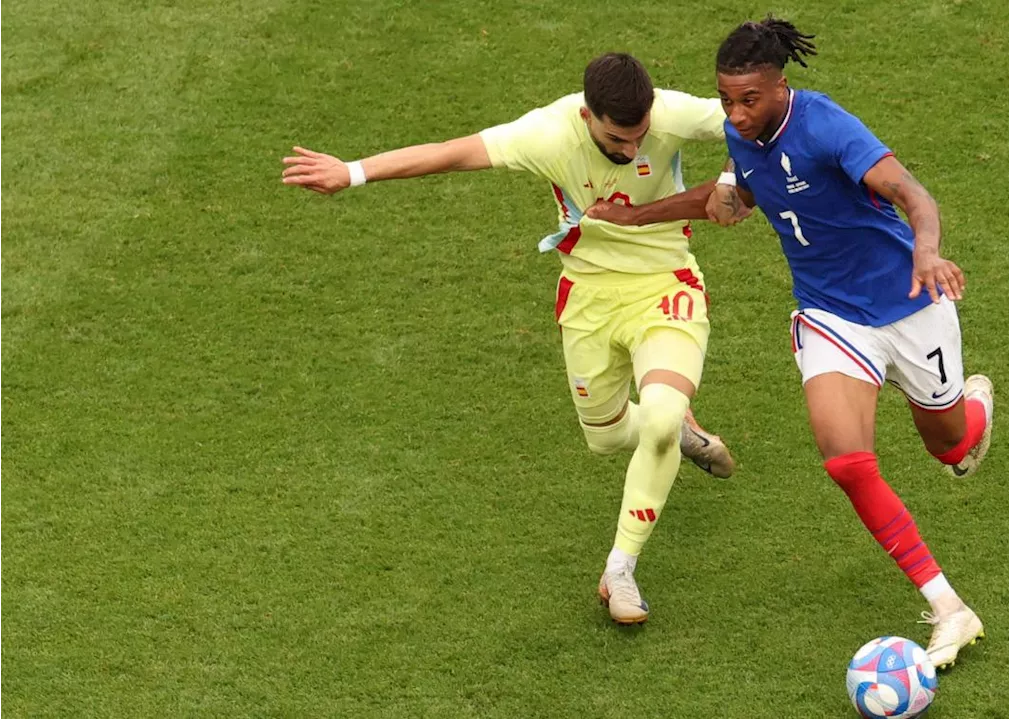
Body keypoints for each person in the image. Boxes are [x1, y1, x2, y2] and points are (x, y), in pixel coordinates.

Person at [586, 20, 994, 668]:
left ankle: (973, 410)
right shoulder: (739, 136)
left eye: (748, 99)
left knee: (949, 444)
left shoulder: (828, 127)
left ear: (780, 86)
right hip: (832, 316)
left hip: (908, 300)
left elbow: (911, 193)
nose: (735, 114)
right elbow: (731, 196)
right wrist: (634, 215)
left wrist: (928, 250)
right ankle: (949, 607)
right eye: (725, 100)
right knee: (845, 460)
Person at [281, 53, 737, 625]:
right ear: (588, 115)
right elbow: (451, 153)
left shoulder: (668, 115)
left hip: (665, 285)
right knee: (608, 437)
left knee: (662, 417)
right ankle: (677, 434)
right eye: (619, 139)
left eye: (641, 135)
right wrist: (352, 172)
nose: (632, 148)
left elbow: (751, 123)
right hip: (590, 297)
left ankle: (621, 567)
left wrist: (726, 178)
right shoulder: (546, 135)